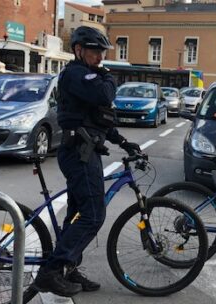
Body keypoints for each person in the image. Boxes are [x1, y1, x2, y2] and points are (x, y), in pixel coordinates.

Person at [32, 26, 142, 297]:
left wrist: (123, 142)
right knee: (93, 214)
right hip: (79, 153)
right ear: (79, 50)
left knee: (77, 214)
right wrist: (108, 78)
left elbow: (99, 117)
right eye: (95, 51)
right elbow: (105, 95)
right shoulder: (75, 74)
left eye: (102, 52)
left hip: (86, 149)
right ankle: (51, 272)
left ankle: (68, 267)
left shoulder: (90, 77)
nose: (100, 58)